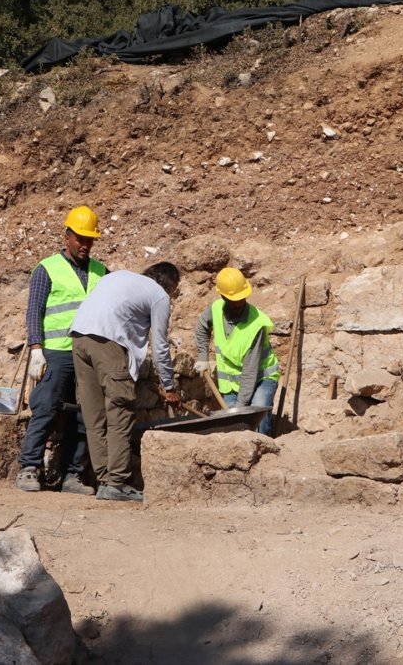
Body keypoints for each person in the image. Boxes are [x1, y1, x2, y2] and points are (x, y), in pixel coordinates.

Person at [69, 262, 182, 502]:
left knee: (94, 415)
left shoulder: (118, 276)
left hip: (79, 338)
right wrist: (169, 386)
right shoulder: (159, 295)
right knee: (120, 412)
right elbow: (160, 346)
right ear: (170, 284)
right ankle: (117, 483)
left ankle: (104, 480)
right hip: (107, 342)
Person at [16, 206, 107, 494]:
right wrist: (36, 348)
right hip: (56, 352)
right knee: (45, 408)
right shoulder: (47, 269)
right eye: (80, 238)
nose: (85, 244)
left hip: (89, 354)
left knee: (84, 414)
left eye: (89, 239)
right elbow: (34, 311)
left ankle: (72, 475)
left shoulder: (102, 271)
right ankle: (29, 468)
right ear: (67, 235)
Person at [194, 267, 280, 435]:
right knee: (232, 431)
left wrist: (240, 409)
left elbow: (250, 370)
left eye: (242, 298)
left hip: (261, 378)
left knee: (258, 420)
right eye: (235, 299)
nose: (240, 302)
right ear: (223, 296)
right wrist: (203, 357)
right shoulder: (216, 309)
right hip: (230, 383)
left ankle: (266, 456)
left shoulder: (257, 324)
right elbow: (201, 328)